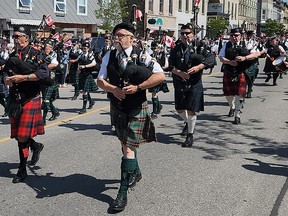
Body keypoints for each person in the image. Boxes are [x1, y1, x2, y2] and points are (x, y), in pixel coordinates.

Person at [97, 22, 165, 211]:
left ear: (131, 38)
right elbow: (100, 80)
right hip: (117, 106)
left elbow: (160, 76)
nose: (116, 38)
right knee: (125, 144)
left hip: (136, 106)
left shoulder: (143, 55)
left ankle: (122, 192)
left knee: (128, 147)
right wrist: (113, 89)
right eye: (115, 35)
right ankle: (135, 171)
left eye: (120, 35)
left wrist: (138, 87)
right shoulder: (109, 55)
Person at [2, 26, 49, 183]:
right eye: (14, 37)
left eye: (18, 36)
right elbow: (4, 72)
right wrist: (5, 80)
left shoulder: (36, 54)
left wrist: (24, 78)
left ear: (26, 38)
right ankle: (35, 146)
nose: (15, 39)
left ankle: (22, 169)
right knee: (19, 136)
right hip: (15, 98)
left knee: (22, 136)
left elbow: (44, 73)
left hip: (30, 97)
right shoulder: (13, 55)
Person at [169, 23, 215, 147]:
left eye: (187, 33)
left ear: (193, 34)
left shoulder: (201, 46)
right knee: (179, 109)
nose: (185, 35)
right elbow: (170, 65)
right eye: (182, 33)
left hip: (195, 82)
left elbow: (211, 59)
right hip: (180, 82)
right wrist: (180, 73)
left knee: (191, 109)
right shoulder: (176, 48)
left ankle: (190, 135)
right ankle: (188, 123)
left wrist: (199, 67)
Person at [218, 28, 262, 124]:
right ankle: (232, 107)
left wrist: (244, 58)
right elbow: (221, 57)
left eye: (236, 35)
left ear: (240, 36)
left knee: (240, 94)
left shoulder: (247, 44)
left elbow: (256, 54)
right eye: (232, 35)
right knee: (228, 94)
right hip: (229, 71)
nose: (234, 37)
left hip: (241, 71)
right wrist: (229, 62)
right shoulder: (226, 45)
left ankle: (237, 115)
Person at [41, 39, 60, 125]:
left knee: (46, 100)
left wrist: (43, 69)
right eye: (45, 47)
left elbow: (54, 64)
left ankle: (43, 119)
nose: (46, 49)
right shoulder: (41, 55)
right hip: (43, 80)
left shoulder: (54, 55)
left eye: (48, 47)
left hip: (51, 80)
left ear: (51, 48)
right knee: (47, 100)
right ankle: (55, 112)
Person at [78, 41, 98, 114]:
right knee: (84, 90)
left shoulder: (90, 56)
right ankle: (91, 101)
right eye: (83, 48)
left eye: (85, 48)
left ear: (88, 49)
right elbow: (79, 63)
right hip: (82, 74)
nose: (84, 49)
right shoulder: (81, 56)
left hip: (88, 75)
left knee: (84, 91)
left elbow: (94, 63)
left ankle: (84, 108)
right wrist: (79, 69)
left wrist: (85, 66)